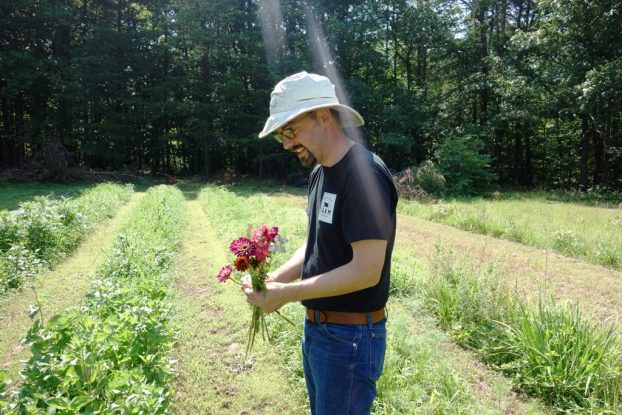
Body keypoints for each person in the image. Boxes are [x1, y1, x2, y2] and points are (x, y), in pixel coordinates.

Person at [243, 71, 398, 415]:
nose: (285, 143)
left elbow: (366, 271)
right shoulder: (320, 173)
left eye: (290, 130)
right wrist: (276, 280)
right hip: (321, 332)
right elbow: (315, 244)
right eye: (281, 135)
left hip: (350, 339)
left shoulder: (363, 175)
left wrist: (287, 294)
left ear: (324, 116)